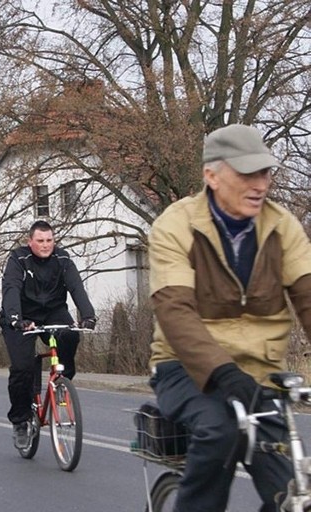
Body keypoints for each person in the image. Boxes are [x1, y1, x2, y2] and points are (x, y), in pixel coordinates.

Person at [147, 124, 311, 512]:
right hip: (186, 370)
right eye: (247, 173)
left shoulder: (281, 226)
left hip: (259, 376)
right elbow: (175, 310)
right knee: (221, 431)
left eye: (265, 172)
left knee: (292, 492)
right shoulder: (176, 225)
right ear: (212, 175)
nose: (260, 184)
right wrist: (222, 372)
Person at [0, 220, 96, 449]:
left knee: (70, 335)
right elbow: (11, 288)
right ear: (30, 241)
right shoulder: (18, 259)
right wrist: (16, 319)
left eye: (49, 240)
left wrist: (89, 316)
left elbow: (76, 287)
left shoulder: (62, 259)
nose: (45, 245)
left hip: (53, 311)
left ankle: (63, 381)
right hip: (22, 316)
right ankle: (21, 421)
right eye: (40, 241)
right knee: (22, 368)